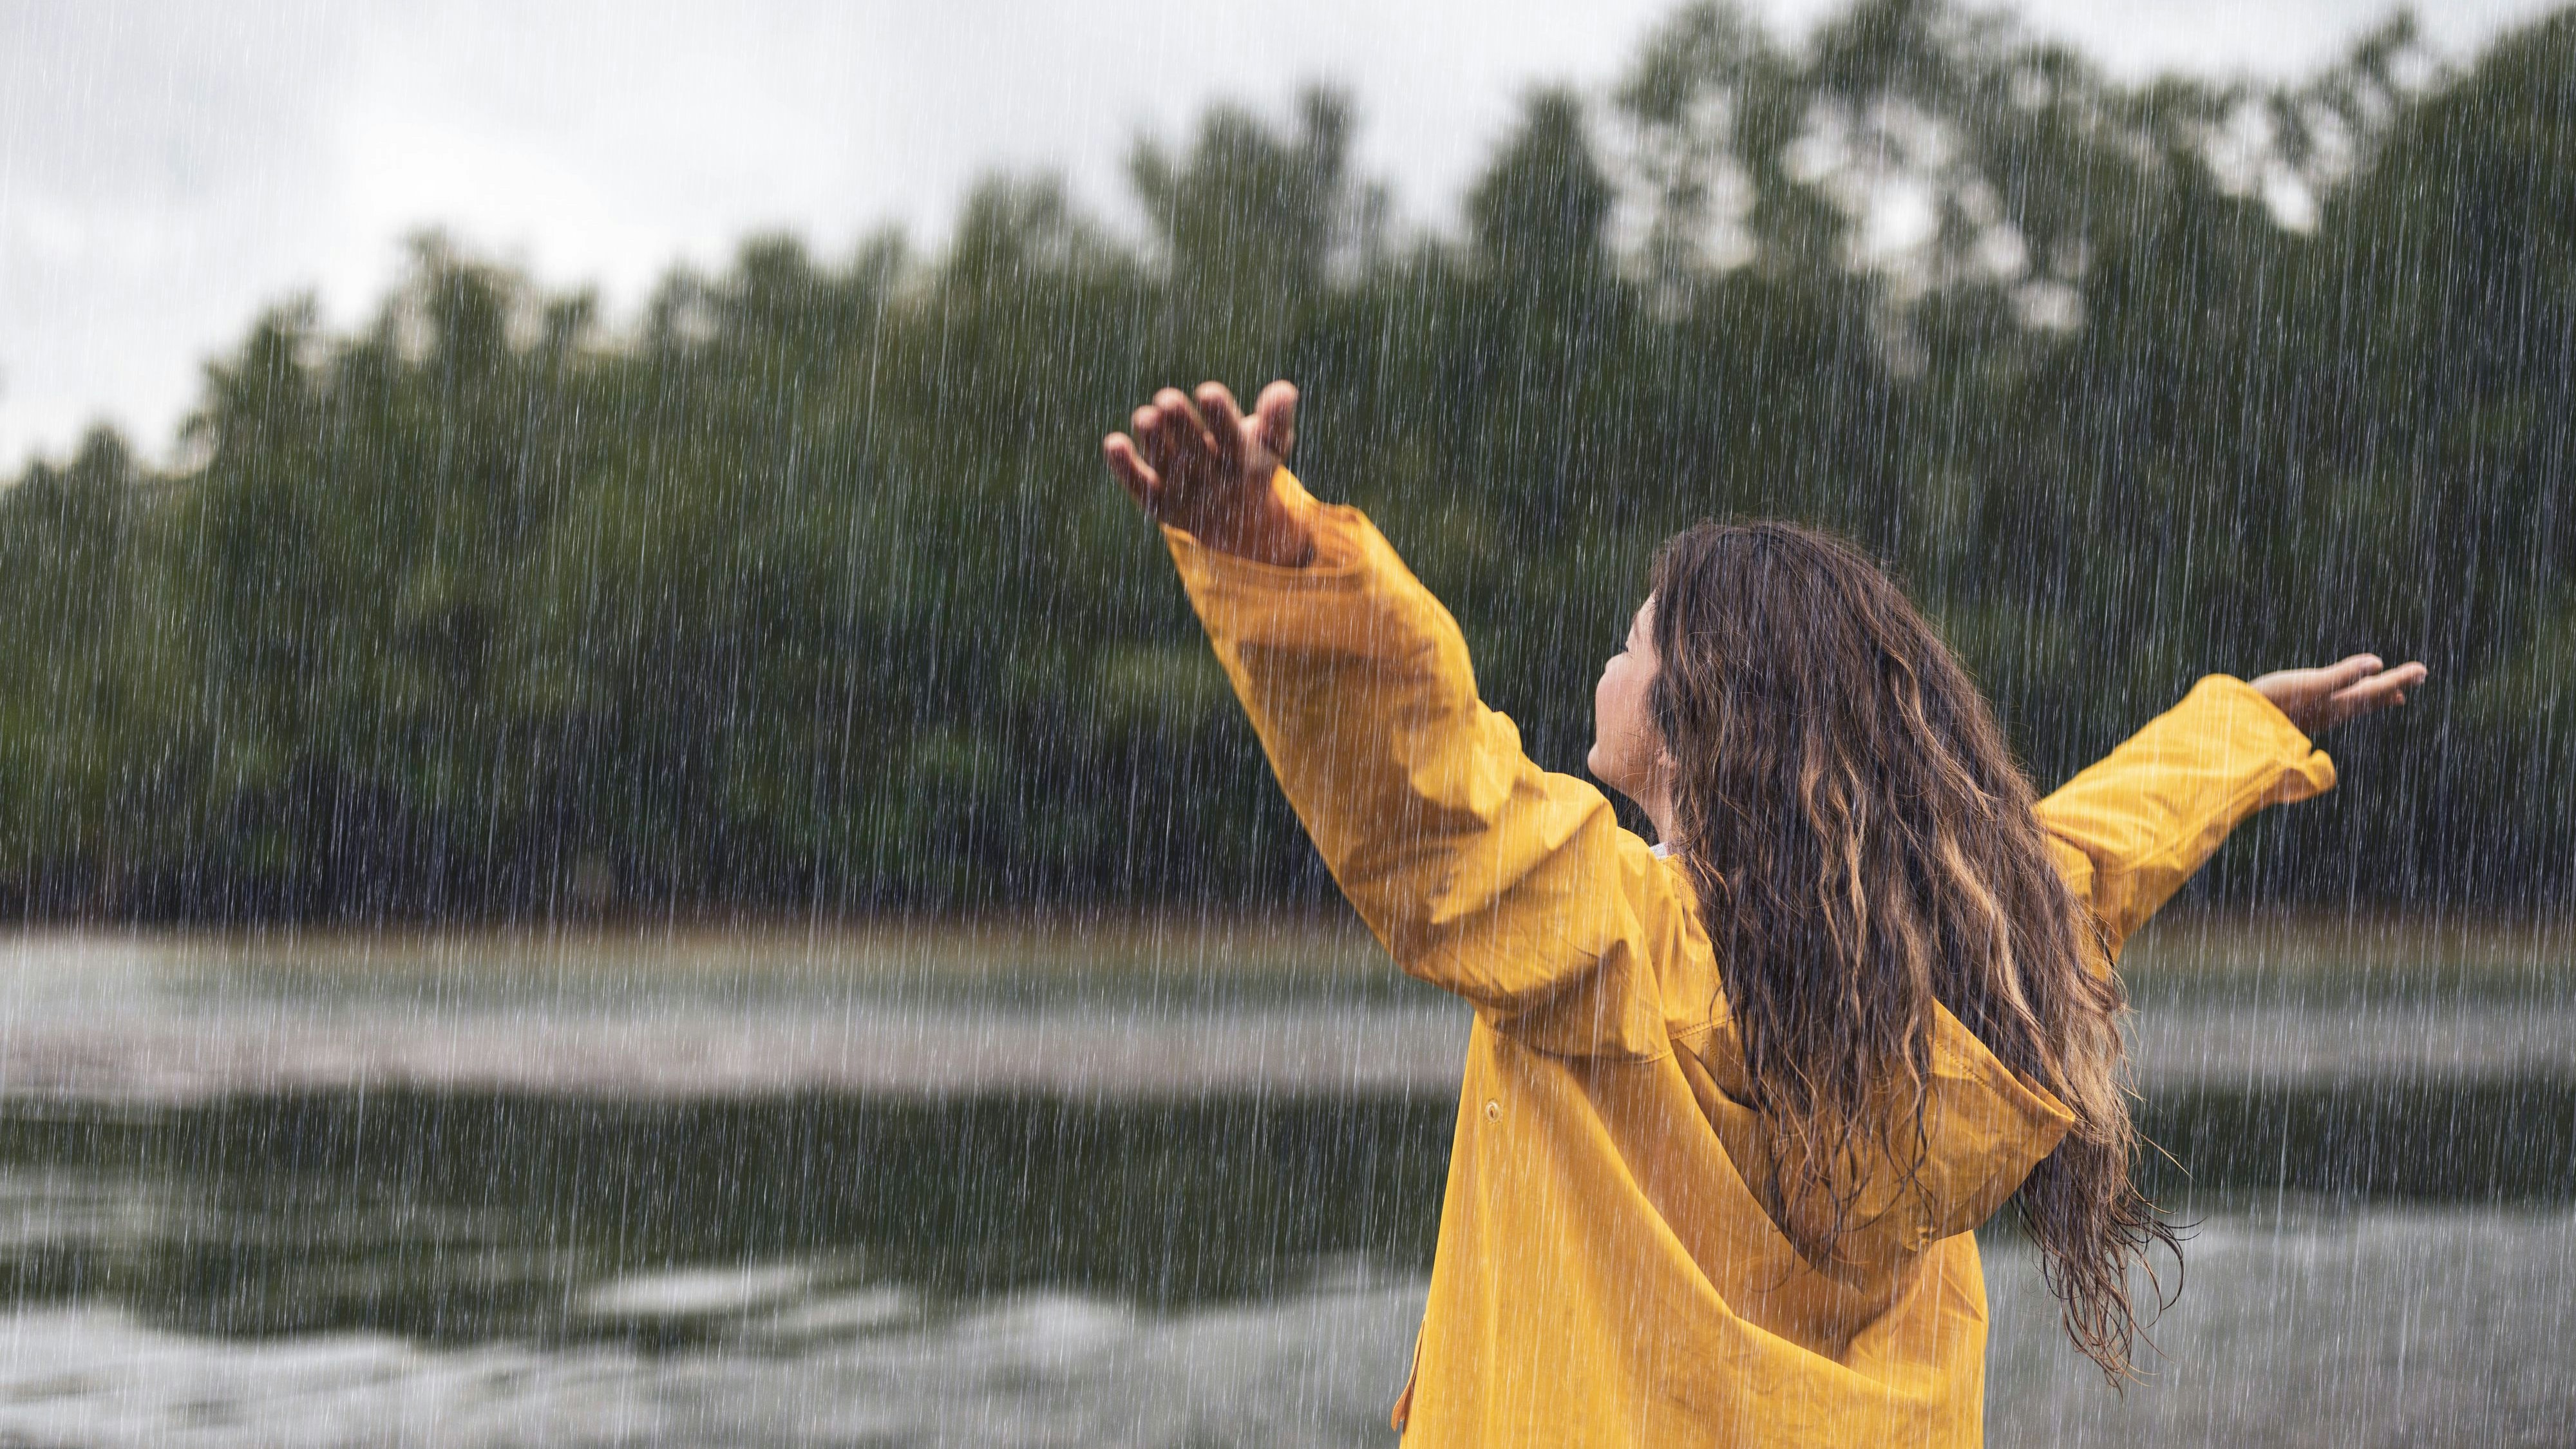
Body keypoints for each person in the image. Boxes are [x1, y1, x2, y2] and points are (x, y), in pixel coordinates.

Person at [1099, 379, 2426, 1448]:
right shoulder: (1946, 971)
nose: (1607, 664)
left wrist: (1280, 564)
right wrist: (2242, 728)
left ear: (1692, 716)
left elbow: (1424, 790)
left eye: (1631, 644)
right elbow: (2081, 855)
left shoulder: (1605, 941)